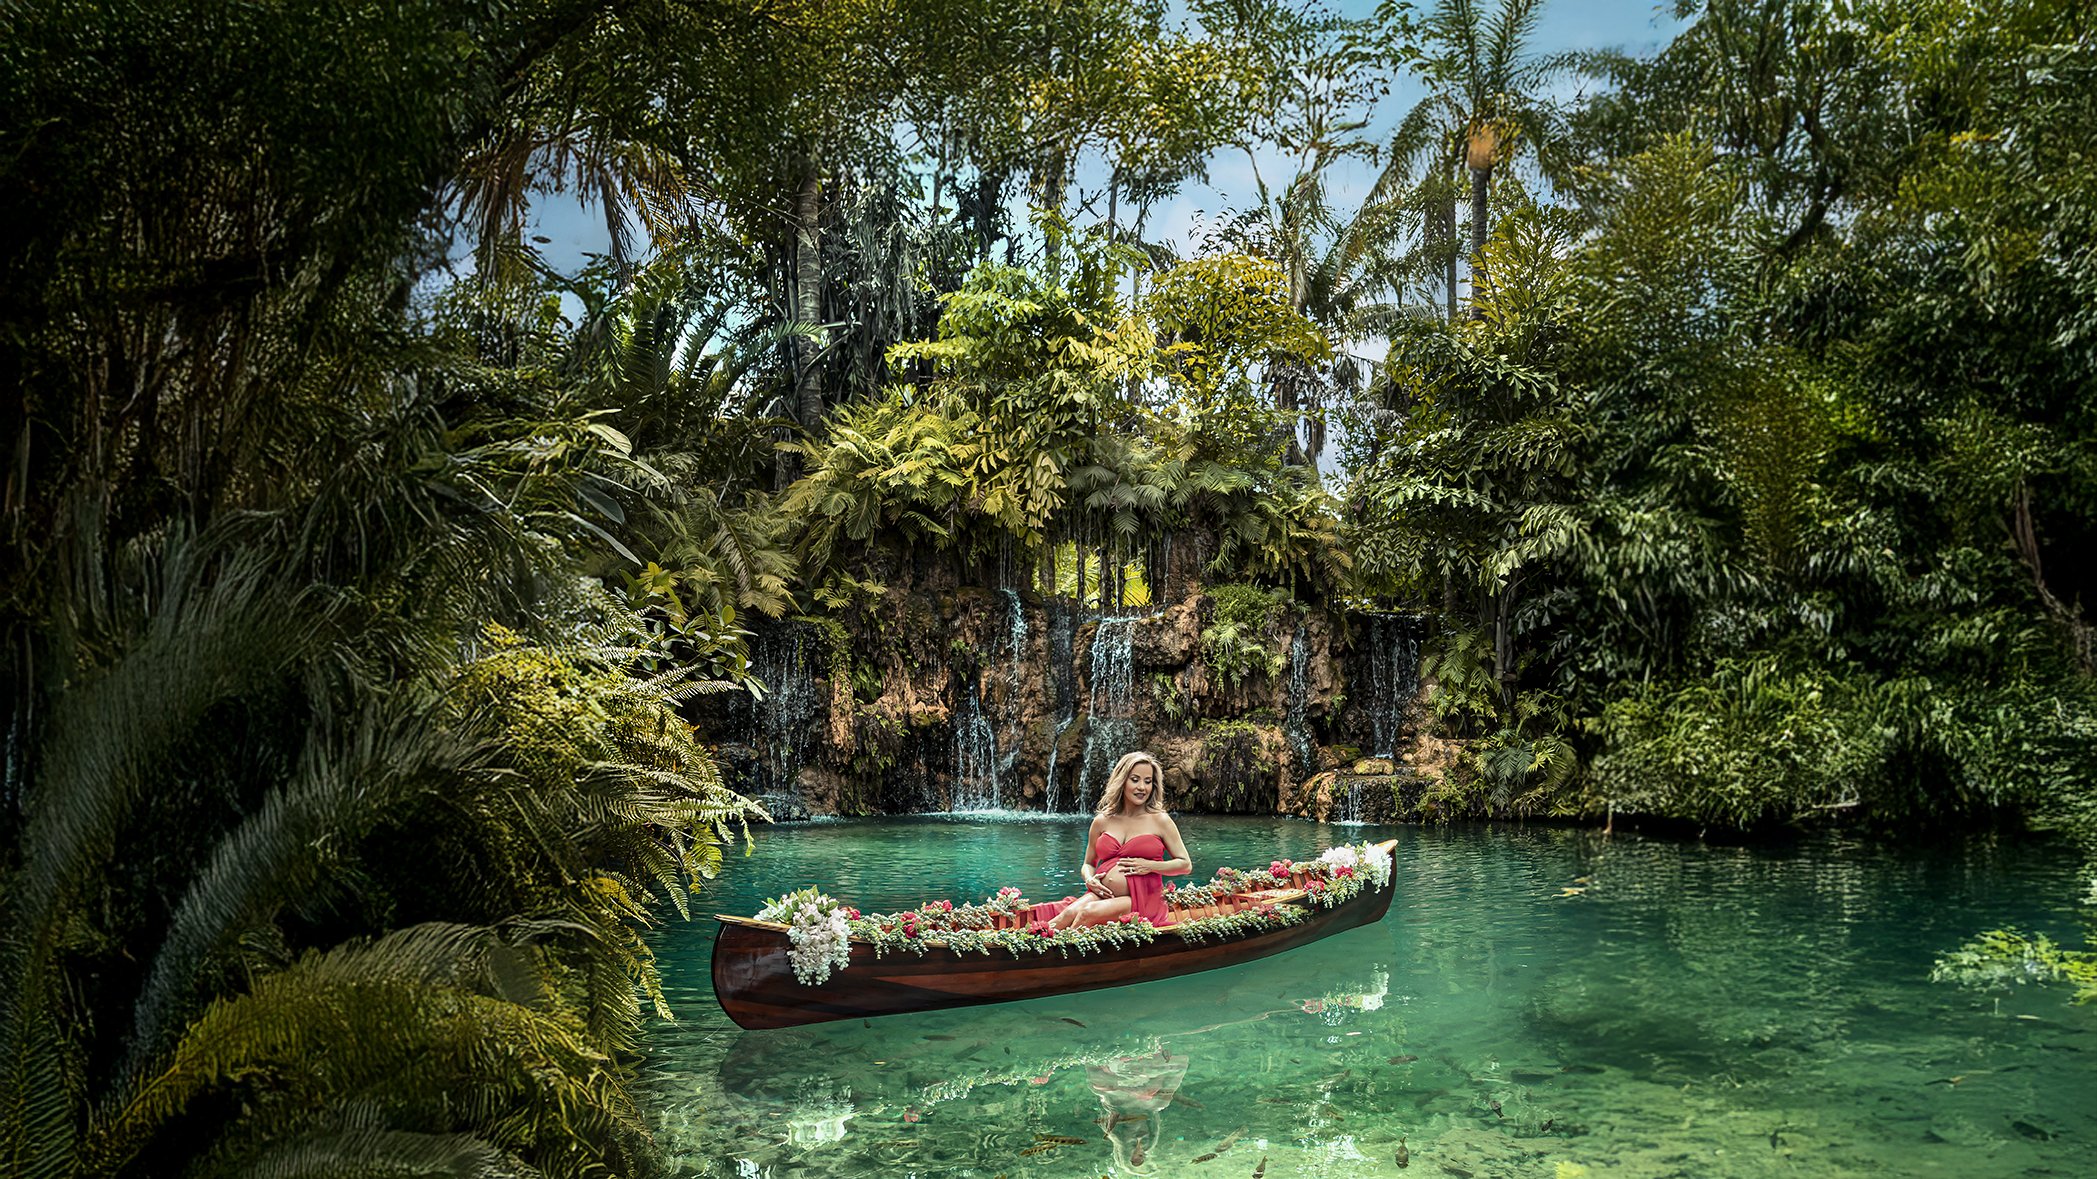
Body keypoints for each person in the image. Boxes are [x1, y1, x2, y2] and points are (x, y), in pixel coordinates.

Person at [1047, 751, 1192, 930]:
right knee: (1066, 915)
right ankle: (1030, 950)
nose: (1142, 787)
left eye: (1148, 781)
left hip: (1142, 899)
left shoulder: (1160, 820)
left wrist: (1149, 866)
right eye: (1135, 779)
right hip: (1103, 893)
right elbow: (1088, 863)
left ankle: (1063, 956)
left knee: (1086, 913)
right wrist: (1090, 879)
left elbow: (1185, 864)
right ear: (1122, 780)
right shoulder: (1102, 820)